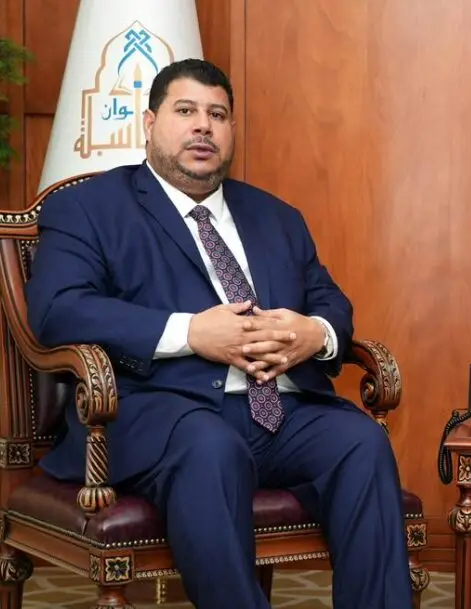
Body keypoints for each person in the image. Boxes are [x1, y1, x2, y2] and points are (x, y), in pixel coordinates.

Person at [25, 58, 413, 608]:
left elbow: (329, 300)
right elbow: (59, 310)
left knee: (361, 442)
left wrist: (316, 332)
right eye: (186, 111)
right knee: (213, 448)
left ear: (231, 130)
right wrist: (190, 332)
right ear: (150, 123)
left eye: (218, 114)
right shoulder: (89, 208)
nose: (203, 126)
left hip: (281, 410)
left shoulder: (276, 216)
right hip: (159, 412)